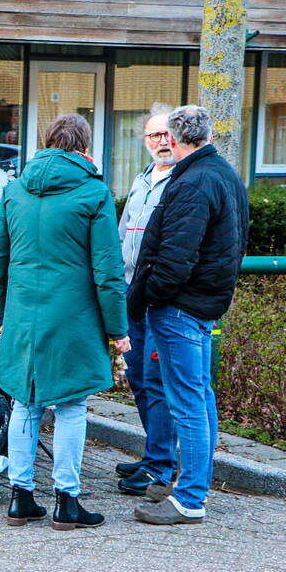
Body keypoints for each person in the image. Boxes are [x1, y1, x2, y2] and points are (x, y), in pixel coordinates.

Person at [0, 114, 130, 530]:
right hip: (74, 317)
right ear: (85, 146)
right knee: (70, 406)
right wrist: (118, 330)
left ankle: (20, 497)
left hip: (23, 316)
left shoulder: (15, 191)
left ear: (48, 143)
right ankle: (67, 500)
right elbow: (107, 270)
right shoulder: (94, 193)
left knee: (24, 402)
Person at [128, 105, 249, 525]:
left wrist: (146, 298)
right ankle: (194, 487)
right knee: (199, 395)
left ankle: (191, 497)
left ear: (175, 140)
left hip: (179, 307)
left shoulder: (192, 182)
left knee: (187, 401)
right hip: (204, 303)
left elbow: (174, 257)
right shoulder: (225, 176)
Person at [115, 104, 178, 497]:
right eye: (153, 135)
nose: (160, 141)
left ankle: (161, 466)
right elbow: (123, 235)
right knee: (138, 378)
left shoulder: (181, 181)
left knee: (157, 382)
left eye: (166, 134)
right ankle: (154, 454)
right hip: (129, 294)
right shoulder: (141, 180)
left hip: (159, 298)